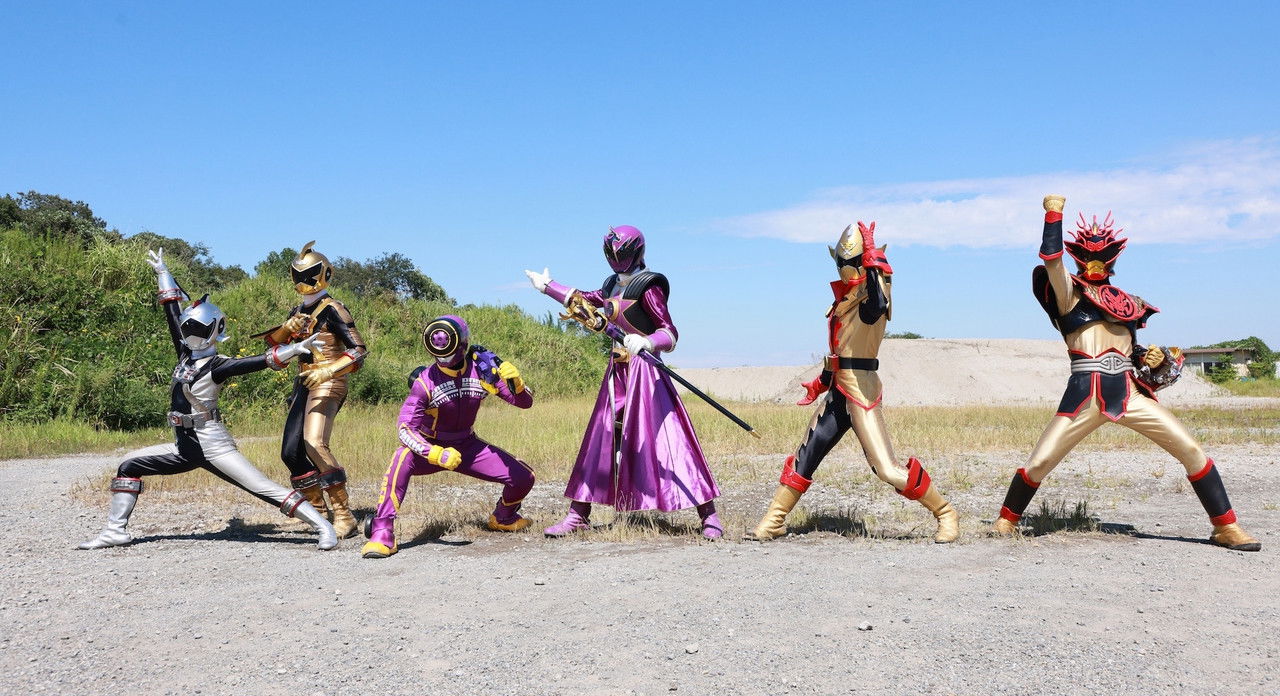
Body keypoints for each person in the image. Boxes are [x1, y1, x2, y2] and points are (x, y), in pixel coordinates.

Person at [991, 195, 1260, 551]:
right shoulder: (1069, 293)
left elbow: (1131, 353)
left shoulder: (1127, 303)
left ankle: (1226, 526)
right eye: (1088, 253)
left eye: (1102, 254)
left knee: (1191, 449)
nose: (1095, 260)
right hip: (1085, 392)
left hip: (1128, 392)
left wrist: (1152, 358)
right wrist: (1053, 215)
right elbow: (1051, 260)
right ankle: (1006, 519)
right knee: (1040, 462)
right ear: (1078, 254)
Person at [78, 249, 337, 551]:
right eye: (188, 328)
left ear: (216, 331)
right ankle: (115, 530)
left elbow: (256, 361)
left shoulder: (217, 365)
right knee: (128, 466)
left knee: (263, 488)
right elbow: (172, 314)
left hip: (213, 446)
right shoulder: (185, 355)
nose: (191, 333)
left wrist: (294, 349)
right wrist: (163, 274)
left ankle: (324, 527)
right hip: (184, 447)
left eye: (198, 329)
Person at [749, 222, 960, 543]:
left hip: (862, 390)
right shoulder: (844, 300)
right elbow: (841, 350)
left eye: (853, 261)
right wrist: (821, 381)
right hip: (839, 389)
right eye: (841, 262)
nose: (846, 268)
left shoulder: (872, 296)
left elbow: (878, 305)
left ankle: (945, 512)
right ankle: (774, 521)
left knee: (886, 469)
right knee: (806, 456)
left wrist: (874, 261)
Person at [525, 225, 722, 539]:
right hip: (617, 373)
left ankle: (709, 515)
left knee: (671, 440)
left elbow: (670, 332)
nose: (617, 259)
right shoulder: (611, 285)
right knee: (600, 438)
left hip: (647, 373)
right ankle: (578, 514)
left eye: (622, 253)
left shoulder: (648, 286)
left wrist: (648, 342)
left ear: (637, 251)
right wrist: (548, 286)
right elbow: (584, 300)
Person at [362, 316, 536, 558]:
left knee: (524, 477)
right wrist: (433, 453)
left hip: (468, 445)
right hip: (430, 446)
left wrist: (516, 385)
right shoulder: (425, 382)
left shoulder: (482, 370)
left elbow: (525, 403)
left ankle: (503, 517)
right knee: (401, 458)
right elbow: (405, 429)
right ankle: (382, 531)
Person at [259, 241, 367, 539]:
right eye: (298, 275)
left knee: (314, 443)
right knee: (291, 452)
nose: (303, 281)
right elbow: (275, 346)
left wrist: (328, 370)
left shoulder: (334, 309)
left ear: (325, 274)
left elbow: (358, 350)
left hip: (329, 379)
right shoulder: (298, 310)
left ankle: (344, 515)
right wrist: (287, 327)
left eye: (309, 274)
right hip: (304, 381)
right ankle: (316, 510)